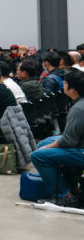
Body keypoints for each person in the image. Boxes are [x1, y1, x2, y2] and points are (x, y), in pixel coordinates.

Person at [30, 69, 84, 206]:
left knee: (38, 156)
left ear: (73, 90)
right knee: (44, 143)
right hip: (79, 143)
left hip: (80, 148)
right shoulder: (79, 103)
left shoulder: (78, 109)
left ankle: (64, 195)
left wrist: (48, 147)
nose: (63, 84)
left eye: (65, 83)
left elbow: (68, 141)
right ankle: (72, 185)